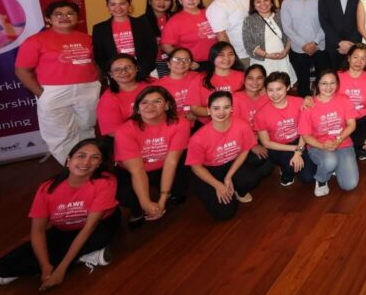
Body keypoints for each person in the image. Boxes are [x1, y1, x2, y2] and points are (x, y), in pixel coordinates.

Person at [0, 139, 118, 288]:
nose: (86, 162)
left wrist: (62, 269)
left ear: (99, 164)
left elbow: (89, 228)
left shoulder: (106, 182)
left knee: (64, 251)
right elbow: (38, 230)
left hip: (98, 226)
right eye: (81, 155)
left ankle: (25, 270)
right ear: (69, 160)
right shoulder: (47, 189)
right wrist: (45, 266)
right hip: (64, 229)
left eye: (95, 157)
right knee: (8, 261)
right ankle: (85, 256)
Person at [14, 1, 100, 164]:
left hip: (88, 89)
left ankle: (90, 165)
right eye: (58, 14)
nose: (64, 17)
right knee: (60, 134)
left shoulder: (87, 38)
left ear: (77, 18)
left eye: (70, 13)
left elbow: (95, 62)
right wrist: (41, 94)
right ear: (48, 19)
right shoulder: (35, 41)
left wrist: (97, 82)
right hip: (53, 91)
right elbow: (22, 70)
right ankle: (72, 168)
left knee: (87, 128)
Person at [187, 91, 270, 220]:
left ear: (231, 109)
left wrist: (229, 176)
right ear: (208, 110)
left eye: (226, 107)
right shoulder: (198, 138)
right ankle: (217, 191)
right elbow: (196, 167)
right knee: (225, 213)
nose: (221, 112)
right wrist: (217, 185)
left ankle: (236, 189)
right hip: (209, 170)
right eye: (216, 108)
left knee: (252, 178)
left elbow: (244, 150)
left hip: (231, 163)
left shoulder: (242, 125)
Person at [113, 85, 189, 226]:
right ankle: (138, 210)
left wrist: (162, 200)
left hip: (164, 165)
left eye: (157, 101)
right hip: (134, 170)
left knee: (182, 183)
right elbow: (137, 170)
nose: (150, 106)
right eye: (144, 102)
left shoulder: (180, 123)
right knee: (126, 196)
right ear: (137, 108)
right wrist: (146, 203)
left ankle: (167, 194)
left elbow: (172, 161)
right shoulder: (125, 131)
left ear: (167, 105)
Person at [299, 69, 358, 196]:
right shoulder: (309, 105)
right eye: (323, 83)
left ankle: (334, 166)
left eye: (332, 83)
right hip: (318, 145)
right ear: (317, 85)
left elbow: (352, 124)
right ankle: (321, 179)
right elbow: (306, 136)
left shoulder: (344, 99)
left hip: (342, 143)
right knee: (330, 161)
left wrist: (338, 139)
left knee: (350, 185)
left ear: (337, 84)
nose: (328, 87)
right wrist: (322, 146)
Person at [255, 72, 315, 186]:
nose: (275, 94)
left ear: (287, 87)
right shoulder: (261, 114)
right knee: (291, 167)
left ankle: (292, 165)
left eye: (279, 89)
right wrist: (294, 148)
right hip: (277, 147)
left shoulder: (299, 103)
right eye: (270, 90)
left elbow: (305, 130)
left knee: (308, 177)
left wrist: (298, 151)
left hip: (300, 140)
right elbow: (266, 143)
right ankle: (286, 170)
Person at [281, 0, 330, 97]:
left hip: (320, 47)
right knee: (303, 82)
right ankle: (305, 109)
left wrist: (315, 42)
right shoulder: (287, 3)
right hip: (298, 49)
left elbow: (326, 23)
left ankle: (323, 107)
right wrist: (304, 44)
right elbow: (287, 28)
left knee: (323, 80)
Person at [91, 0, 157, 76]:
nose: (118, 8)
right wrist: (112, 71)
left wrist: (143, 68)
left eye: (122, 3)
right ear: (108, 7)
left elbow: (152, 47)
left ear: (129, 5)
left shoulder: (142, 23)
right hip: (117, 72)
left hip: (144, 69)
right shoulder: (99, 29)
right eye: (113, 4)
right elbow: (99, 55)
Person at [319, 0, 366, 71]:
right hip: (334, 46)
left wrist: (351, 43)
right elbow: (324, 20)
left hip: (355, 45)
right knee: (337, 80)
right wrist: (339, 42)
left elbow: (363, 21)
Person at [242, 0, 296, 81]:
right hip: (263, 61)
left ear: (271, 2)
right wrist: (267, 55)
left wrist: (285, 51)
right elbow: (248, 43)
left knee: (283, 84)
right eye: (258, 2)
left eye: (266, 0)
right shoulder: (249, 20)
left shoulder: (280, 14)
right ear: (253, 5)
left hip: (282, 57)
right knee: (264, 86)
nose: (263, 4)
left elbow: (290, 34)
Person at [337, 43, 366, 161]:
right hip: (342, 119)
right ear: (349, 58)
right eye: (355, 57)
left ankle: (358, 148)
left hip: (361, 118)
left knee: (362, 142)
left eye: (363, 58)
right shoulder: (337, 77)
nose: (358, 61)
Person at [160, 0, 216, 70]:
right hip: (195, 64)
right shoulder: (174, 21)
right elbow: (165, 45)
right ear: (180, 0)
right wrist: (185, 60)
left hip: (218, 60)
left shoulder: (210, 13)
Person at [205, 0, 253, 65]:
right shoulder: (218, 5)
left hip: (261, 50)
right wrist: (232, 58)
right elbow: (221, 36)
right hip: (241, 56)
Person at [96, 54, 150, 137]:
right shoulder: (108, 99)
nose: (124, 72)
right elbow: (113, 132)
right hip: (133, 139)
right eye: (117, 70)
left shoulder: (152, 83)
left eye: (128, 67)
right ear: (111, 74)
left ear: (136, 68)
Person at [157, 47, 206, 127]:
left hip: (201, 121)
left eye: (186, 60)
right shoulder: (158, 86)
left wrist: (197, 114)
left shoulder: (199, 77)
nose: (182, 63)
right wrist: (183, 117)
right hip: (175, 124)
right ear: (168, 64)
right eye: (177, 59)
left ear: (191, 64)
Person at [143, 0, 174, 76]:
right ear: (149, 1)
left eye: (166, 0)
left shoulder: (176, 17)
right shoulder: (140, 22)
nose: (162, 3)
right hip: (154, 62)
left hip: (176, 59)